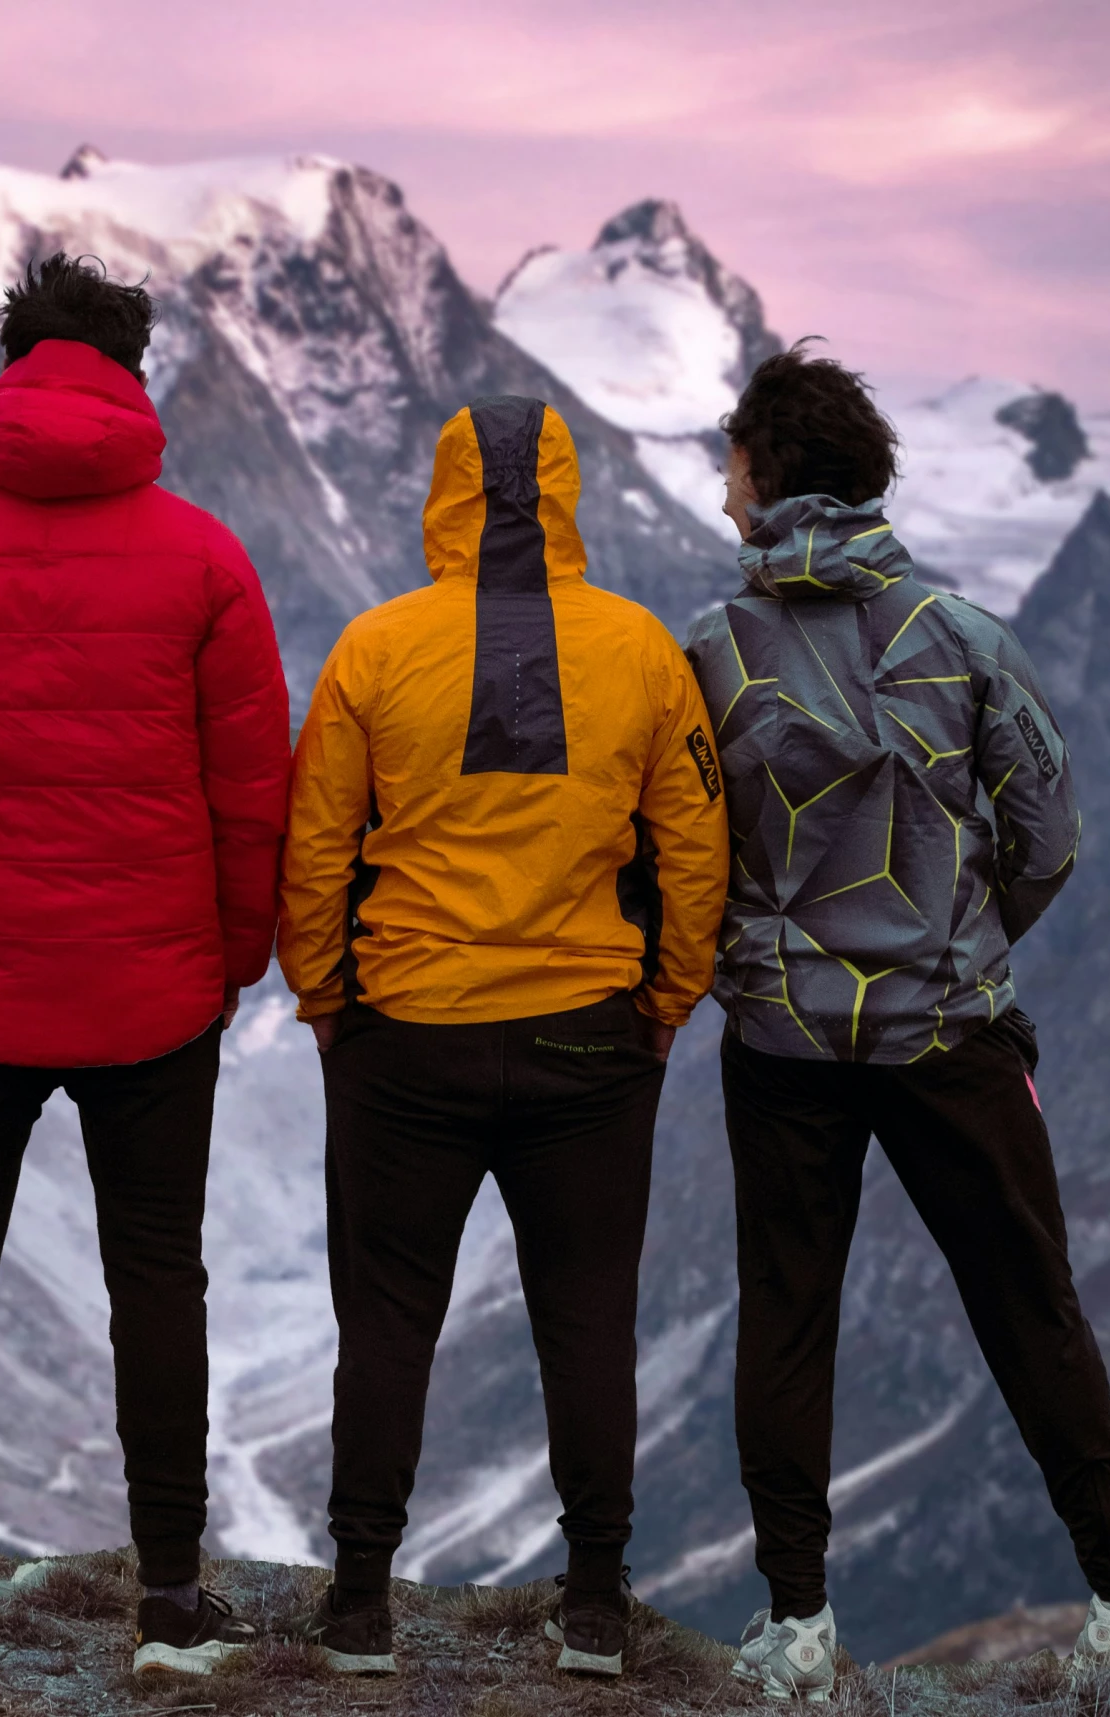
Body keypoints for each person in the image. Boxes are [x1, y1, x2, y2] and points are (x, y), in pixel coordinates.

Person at [684, 345, 1110, 1702]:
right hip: (949, 1034)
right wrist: (955, 949)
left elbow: (678, 856)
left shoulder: (707, 652)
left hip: (783, 1046)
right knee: (1027, 1303)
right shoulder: (967, 639)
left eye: (733, 458)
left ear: (772, 474)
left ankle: (794, 1629)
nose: (722, 479)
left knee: (787, 1319)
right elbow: (1047, 837)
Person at [0, 254, 288, 1672]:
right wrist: (231, 958)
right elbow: (251, 786)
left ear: (9, 370)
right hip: (154, 995)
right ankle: (165, 1602)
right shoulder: (205, 557)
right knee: (157, 1277)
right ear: (133, 377)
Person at [278, 395, 730, 1679]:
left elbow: (314, 848)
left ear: (446, 494)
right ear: (569, 493)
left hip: (405, 1035)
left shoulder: (375, 648)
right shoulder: (643, 651)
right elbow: (696, 851)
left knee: (387, 1317)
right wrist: (664, 999)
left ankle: (359, 1600)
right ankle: (594, 1603)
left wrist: (325, 1002)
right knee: (586, 1318)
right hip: (589, 1040)